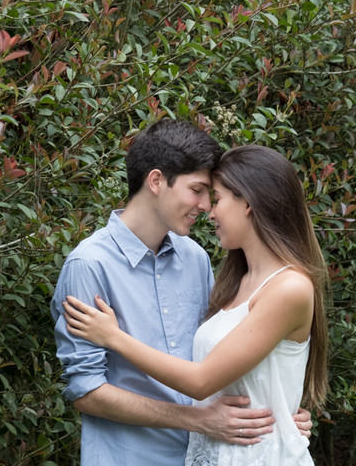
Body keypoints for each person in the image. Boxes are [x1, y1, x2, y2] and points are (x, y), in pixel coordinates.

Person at [50, 121, 311, 466]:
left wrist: (278, 415)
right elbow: (87, 391)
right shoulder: (89, 265)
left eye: (212, 195)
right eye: (197, 190)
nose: (205, 206)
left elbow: (221, 358)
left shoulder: (195, 258)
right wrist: (196, 420)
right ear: (157, 181)